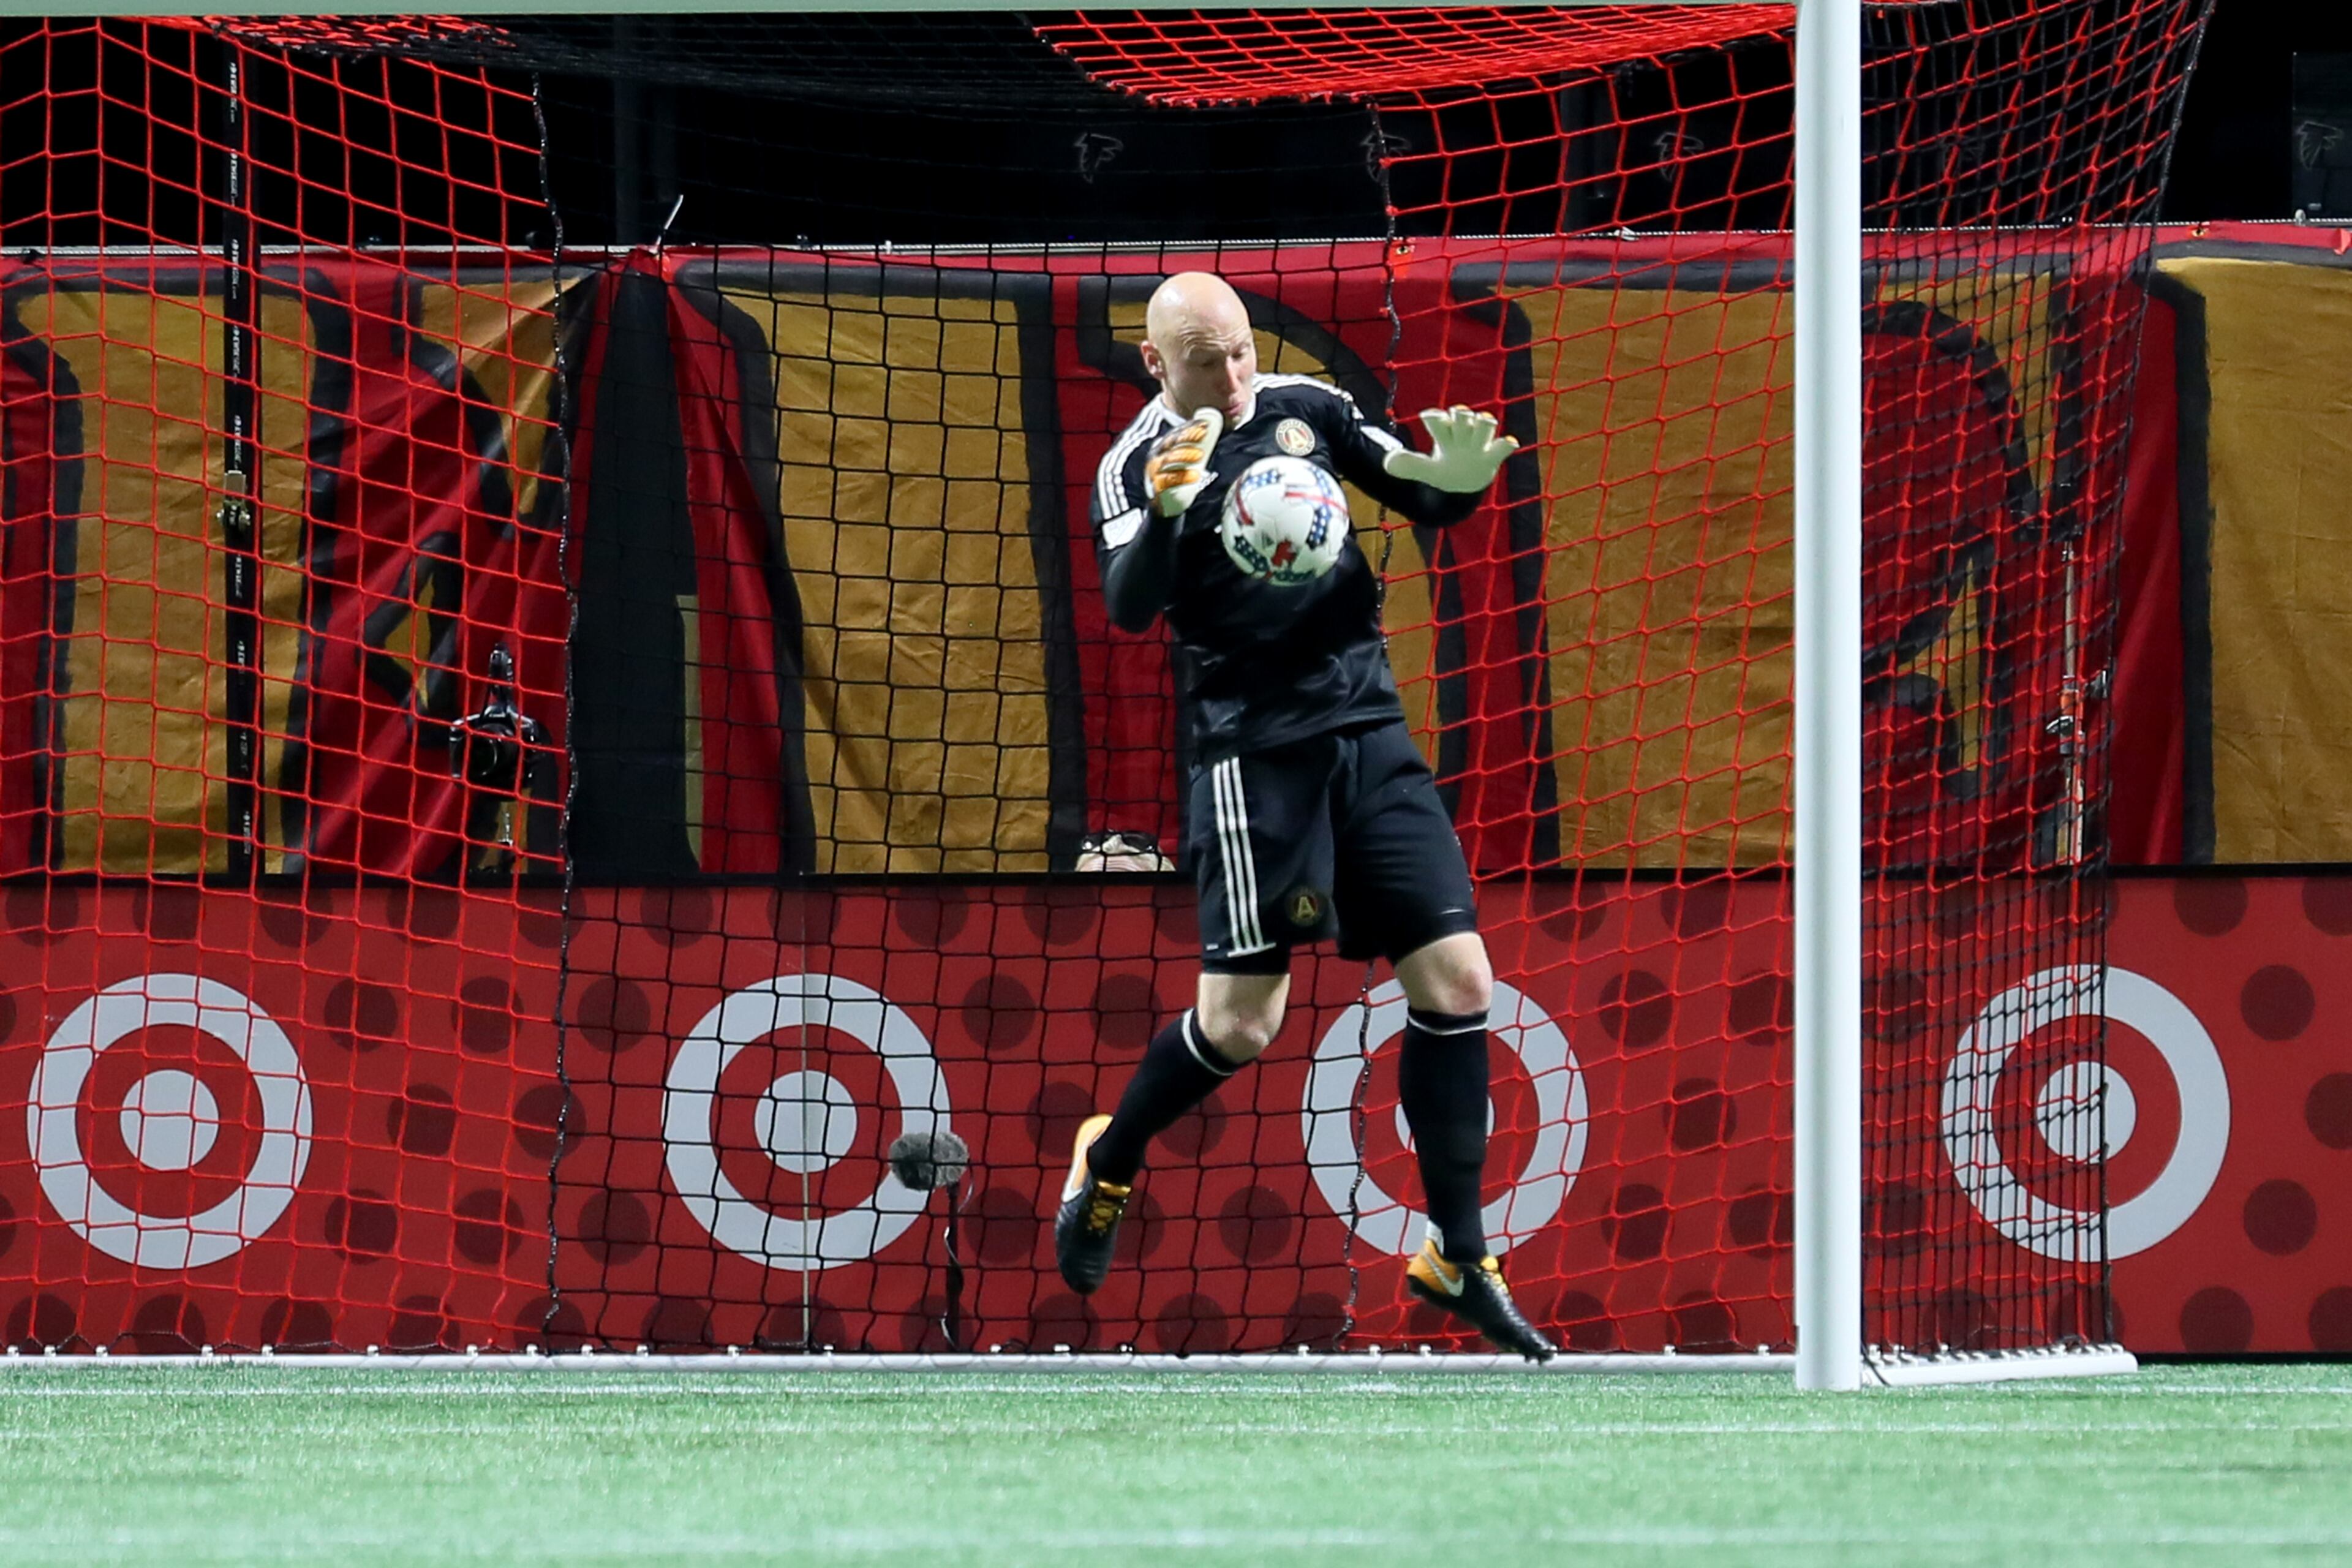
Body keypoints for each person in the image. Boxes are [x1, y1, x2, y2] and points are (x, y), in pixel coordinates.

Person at [1056, 271, 1555, 1361]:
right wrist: (1176, 513)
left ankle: (1458, 1255)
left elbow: (1416, 490)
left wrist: (1459, 482)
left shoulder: (1307, 408)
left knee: (1460, 980)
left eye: (1239, 350)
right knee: (1243, 1025)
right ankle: (1111, 1156)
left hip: (1369, 726)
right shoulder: (1135, 466)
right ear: (1157, 363)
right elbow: (1130, 607)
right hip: (1253, 751)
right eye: (1204, 359)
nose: (1231, 377)